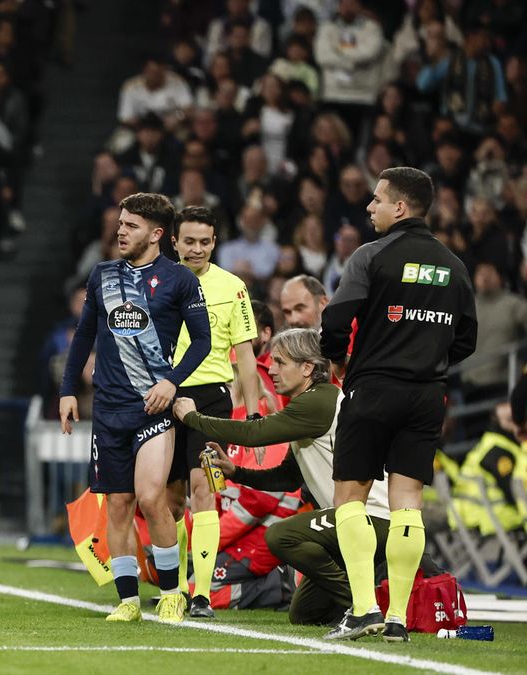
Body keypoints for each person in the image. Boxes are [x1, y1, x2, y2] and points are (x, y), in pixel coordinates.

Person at [320, 167, 477, 642]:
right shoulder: (454, 264)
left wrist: (339, 359)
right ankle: (397, 619)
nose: (369, 207)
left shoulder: (371, 255)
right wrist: (426, 357)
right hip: (428, 395)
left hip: (372, 389)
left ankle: (365, 607)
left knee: (351, 496)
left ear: (400, 208)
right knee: (408, 503)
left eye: (376, 200)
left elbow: (336, 319)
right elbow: (466, 340)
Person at [173, 328, 403, 626]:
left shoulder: (317, 401)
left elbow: (253, 432)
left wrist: (194, 419)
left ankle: (364, 606)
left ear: (308, 368)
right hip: (352, 522)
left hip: (371, 518)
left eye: (281, 362)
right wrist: (237, 472)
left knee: (282, 535)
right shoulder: (310, 404)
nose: (271, 368)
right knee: (304, 613)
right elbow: (288, 478)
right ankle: (369, 596)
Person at [58, 193, 211, 624]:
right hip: (107, 408)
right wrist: (68, 389)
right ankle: (128, 602)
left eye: (131, 225)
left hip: (152, 406)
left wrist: (171, 381)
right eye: (121, 223)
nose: (121, 230)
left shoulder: (180, 280)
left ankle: (171, 593)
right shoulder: (102, 274)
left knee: (150, 497)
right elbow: (84, 334)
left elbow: (202, 341)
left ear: (157, 234)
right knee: (119, 504)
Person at [166, 205, 259, 619]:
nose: (198, 249)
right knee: (165, 500)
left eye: (205, 242)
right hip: (161, 397)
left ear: (215, 243)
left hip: (211, 403)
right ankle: (174, 587)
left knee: (204, 492)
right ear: (174, 242)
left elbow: (245, 356)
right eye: (190, 241)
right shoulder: (156, 282)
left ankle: (201, 594)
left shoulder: (233, 287)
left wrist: (254, 414)